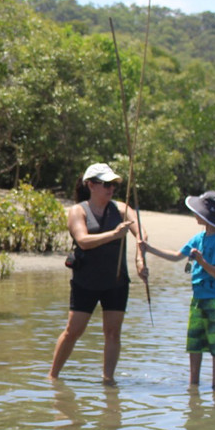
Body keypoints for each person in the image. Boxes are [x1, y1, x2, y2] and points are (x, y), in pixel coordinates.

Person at [49, 162, 146, 384]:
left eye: (113, 184)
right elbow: (83, 241)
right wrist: (114, 234)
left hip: (116, 280)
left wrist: (140, 259)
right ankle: (53, 376)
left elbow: (141, 234)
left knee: (113, 333)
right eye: (105, 184)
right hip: (86, 281)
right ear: (90, 185)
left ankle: (107, 379)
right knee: (73, 331)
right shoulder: (78, 210)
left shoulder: (122, 209)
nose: (110, 188)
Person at [141, 191, 215, 389]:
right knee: (195, 344)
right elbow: (176, 256)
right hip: (199, 298)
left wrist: (201, 261)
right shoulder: (199, 237)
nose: (194, 214)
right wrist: (149, 248)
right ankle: (194, 385)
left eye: (198, 211)